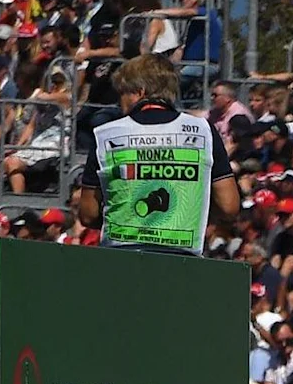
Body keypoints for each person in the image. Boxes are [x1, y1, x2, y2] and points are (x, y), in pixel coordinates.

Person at [73, 53, 234, 252]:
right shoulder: (204, 131)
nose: (118, 103)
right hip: (181, 263)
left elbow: (88, 214)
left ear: (140, 92)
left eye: (122, 94)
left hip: (120, 260)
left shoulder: (105, 134)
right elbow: (229, 207)